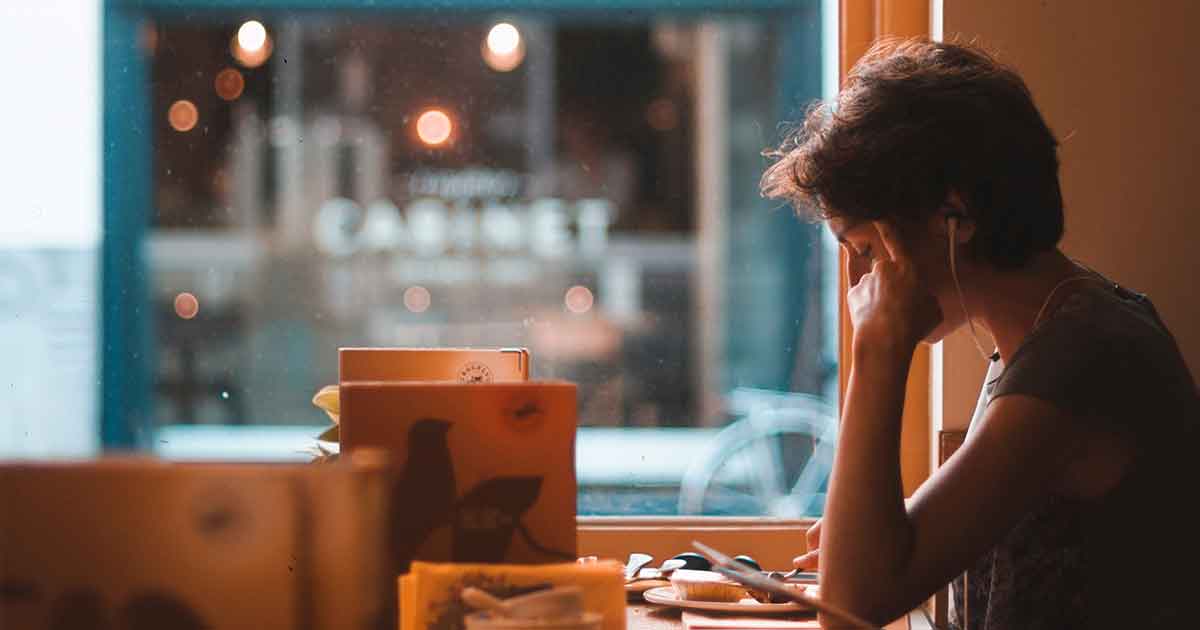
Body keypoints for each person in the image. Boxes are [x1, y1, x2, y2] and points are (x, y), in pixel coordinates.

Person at [761, 38, 1198, 629]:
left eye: (864, 249)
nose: (859, 284)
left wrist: (878, 350)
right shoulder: (1054, 333)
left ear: (955, 215)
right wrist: (860, 538)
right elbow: (881, 559)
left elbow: (849, 607)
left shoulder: (1078, 359)